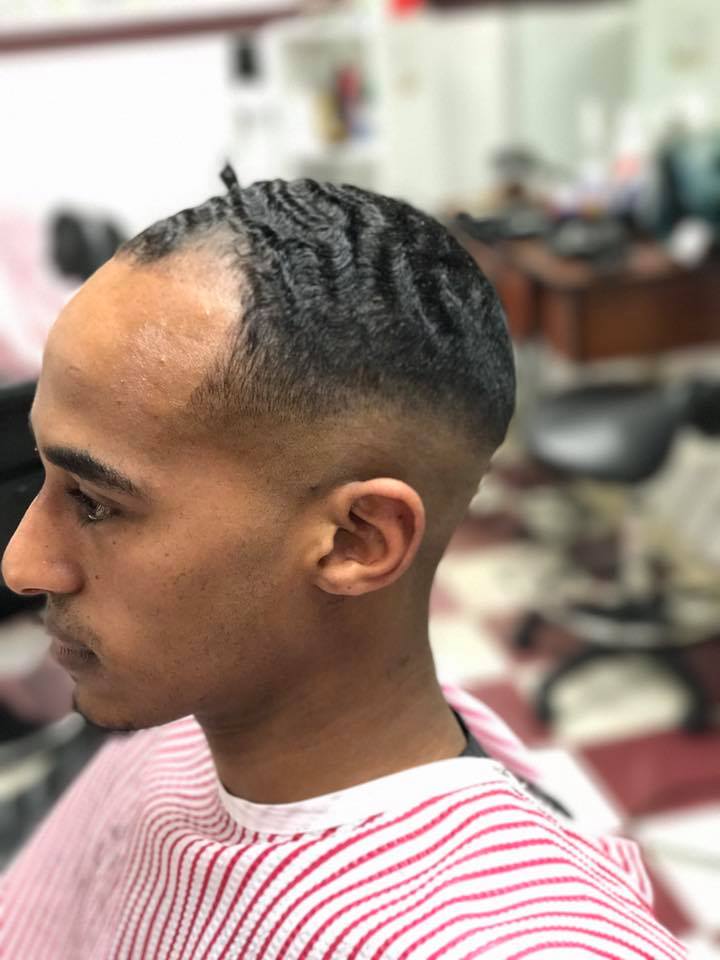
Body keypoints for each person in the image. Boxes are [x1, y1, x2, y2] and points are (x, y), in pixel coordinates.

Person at [1, 169, 684, 959]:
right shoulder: (183, 706)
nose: (21, 564)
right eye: (39, 479)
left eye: (94, 503)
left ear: (357, 541)